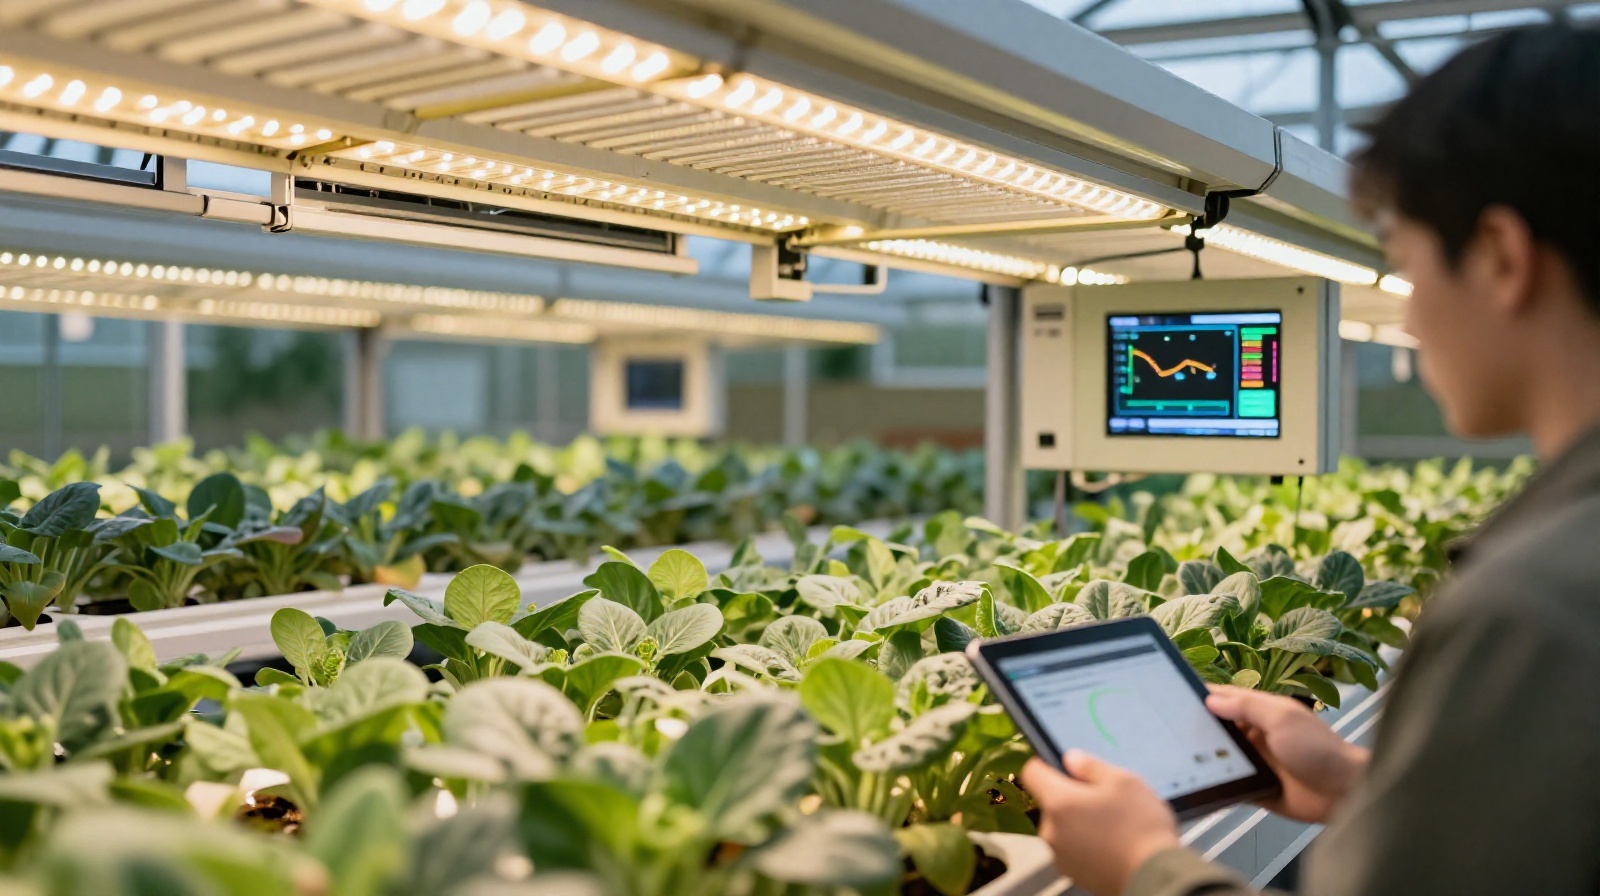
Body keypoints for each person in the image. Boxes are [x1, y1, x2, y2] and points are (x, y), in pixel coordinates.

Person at [1020, 23, 1600, 896]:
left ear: (1501, 256)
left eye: (1404, 266)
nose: (1407, 321)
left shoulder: (1534, 605)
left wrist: (1143, 865)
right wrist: (1362, 787)